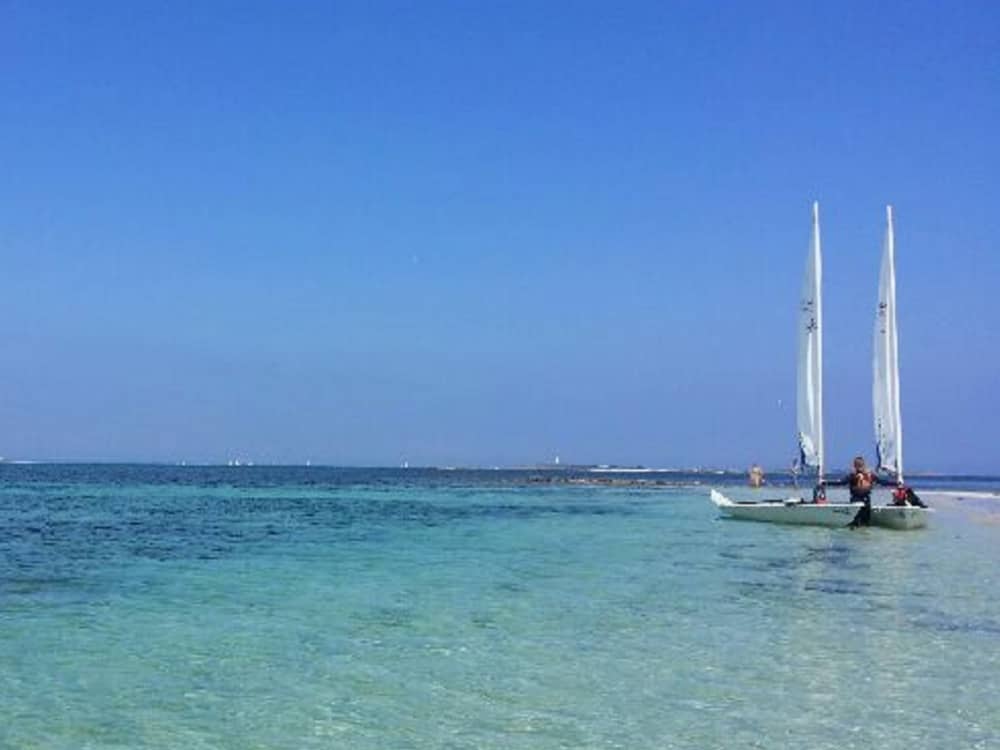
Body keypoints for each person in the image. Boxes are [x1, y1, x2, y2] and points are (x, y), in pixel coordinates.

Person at [824, 456, 885, 527]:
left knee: (863, 521)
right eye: (858, 464)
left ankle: (859, 533)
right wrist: (827, 482)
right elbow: (841, 483)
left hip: (864, 500)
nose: (859, 466)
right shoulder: (853, 476)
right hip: (858, 500)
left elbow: (882, 482)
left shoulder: (869, 475)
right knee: (860, 522)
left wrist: (896, 483)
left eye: (860, 464)